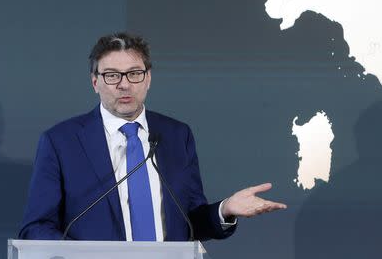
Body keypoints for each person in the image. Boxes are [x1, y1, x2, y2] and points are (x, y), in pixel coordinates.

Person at [19, 32, 286, 241]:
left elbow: (190, 221)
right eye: (112, 75)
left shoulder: (176, 135)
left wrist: (225, 208)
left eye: (134, 73)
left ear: (148, 78)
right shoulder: (62, 142)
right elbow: (36, 227)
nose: (124, 84)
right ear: (95, 82)